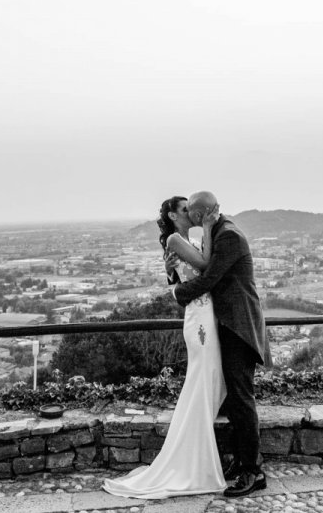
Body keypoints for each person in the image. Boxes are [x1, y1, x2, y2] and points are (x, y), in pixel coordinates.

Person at [103, 195, 225, 499]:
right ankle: (193, 461)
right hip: (199, 318)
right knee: (202, 378)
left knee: (208, 380)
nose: (191, 213)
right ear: (173, 215)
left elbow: (180, 275)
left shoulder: (183, 239)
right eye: (185, 210)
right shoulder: (175, 238)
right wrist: (209, 227)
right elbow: (207, 265)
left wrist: (172, 273)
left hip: (205, 313)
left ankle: (195, 452)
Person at [169, 191, 267, 498]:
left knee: (241, 397)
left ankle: (254, 471)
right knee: (235, 400)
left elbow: (210, 277)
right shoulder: (223, 230)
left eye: (192, 213)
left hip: (238, 327)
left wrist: (176, 293)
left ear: (199, 217)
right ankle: (242, 462)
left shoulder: (228, 237)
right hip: (227, 325)